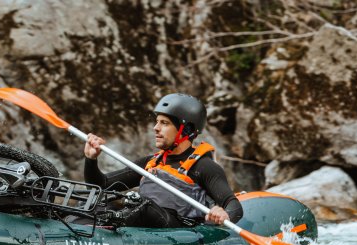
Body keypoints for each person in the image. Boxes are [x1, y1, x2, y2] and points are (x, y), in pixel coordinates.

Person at [84, 93, 243, 228]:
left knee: (143, 205)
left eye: (164, 123)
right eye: (157, 122)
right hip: (144, 223)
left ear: (186, 130)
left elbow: (234, 206)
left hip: (179, 231)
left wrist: (224, 213)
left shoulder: (203, 167)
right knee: (97, 203)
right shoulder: (151, 163)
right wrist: (91, 159)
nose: (156, 128)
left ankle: (105, 229)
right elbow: (101, 185)